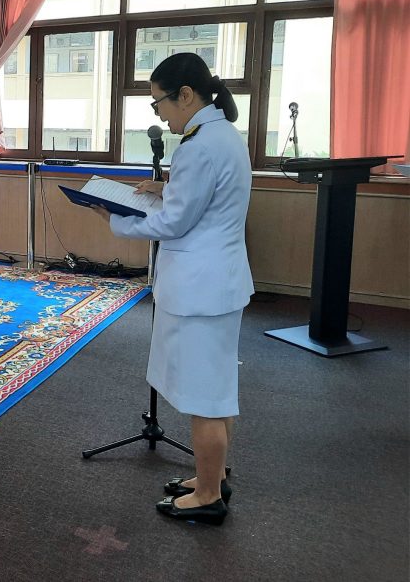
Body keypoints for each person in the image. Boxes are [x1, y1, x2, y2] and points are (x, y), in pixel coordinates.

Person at [89, 52, 253, 526]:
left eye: (158, 102)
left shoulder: (199, 147)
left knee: (205, 397)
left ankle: (208, 496)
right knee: (217, 389)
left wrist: (115, 217)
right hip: (219, 282)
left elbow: (174, 223)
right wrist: (165, 190)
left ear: (185, 95)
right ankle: (211, 477)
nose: (159, 114)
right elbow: (204, 198)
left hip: (200, 289)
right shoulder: (223, 135)